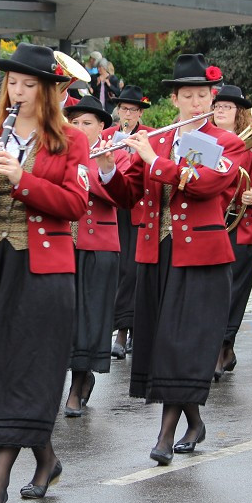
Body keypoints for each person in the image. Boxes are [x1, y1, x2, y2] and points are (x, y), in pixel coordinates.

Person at [0, 43, 89, 503]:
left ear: (48, 91)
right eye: (13, 83)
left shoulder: (71, 140)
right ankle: (46, 458)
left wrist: (22, 180)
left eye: (30, 84)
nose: (19, 92)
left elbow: (75, 206)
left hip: (42, 270)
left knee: (24, 368)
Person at [102, 53, 244, 467]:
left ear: (213, 98)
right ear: (176, 99)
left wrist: (152, 160)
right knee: (162, 342)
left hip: (201, 255)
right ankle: (194, 422)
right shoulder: (158, 139)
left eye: (203, 95)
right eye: (188, 95)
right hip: (154, 251)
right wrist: (110, 166)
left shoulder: (227, 142)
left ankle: (165, 433)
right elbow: (129, 196)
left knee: (181, 342)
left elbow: (207, 184)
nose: (196, 103)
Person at [63, 95, 124, 417]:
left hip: (99, 245)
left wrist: (101, 168)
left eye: (87, 122)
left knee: (91, 317)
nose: (79, 128)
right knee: (65, 316)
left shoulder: (113, 156)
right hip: (62, 245)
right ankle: (73, 377)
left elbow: (121, 194)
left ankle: (79, 380)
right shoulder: (60, 152)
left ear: (102, 127)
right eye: (73, 122)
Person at [210, 85, 252, 381]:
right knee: (217, 289)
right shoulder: (207, 141)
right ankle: (223, 346)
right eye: (218, 105)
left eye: (227, 107)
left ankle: (224, 346)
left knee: (236, 290)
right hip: (214, 224)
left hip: (244, 226)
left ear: (239, 112)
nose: (220, 110)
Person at [105, 85, 152, 359]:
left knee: (135, 269)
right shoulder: (107, 135)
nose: (128, 114)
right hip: (116, 208)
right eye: (124, 109)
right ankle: (123, 328)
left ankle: (128, 330)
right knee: (122, 269)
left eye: (133, 110)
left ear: (139, 113)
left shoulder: (148, 136)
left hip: (139, 207)